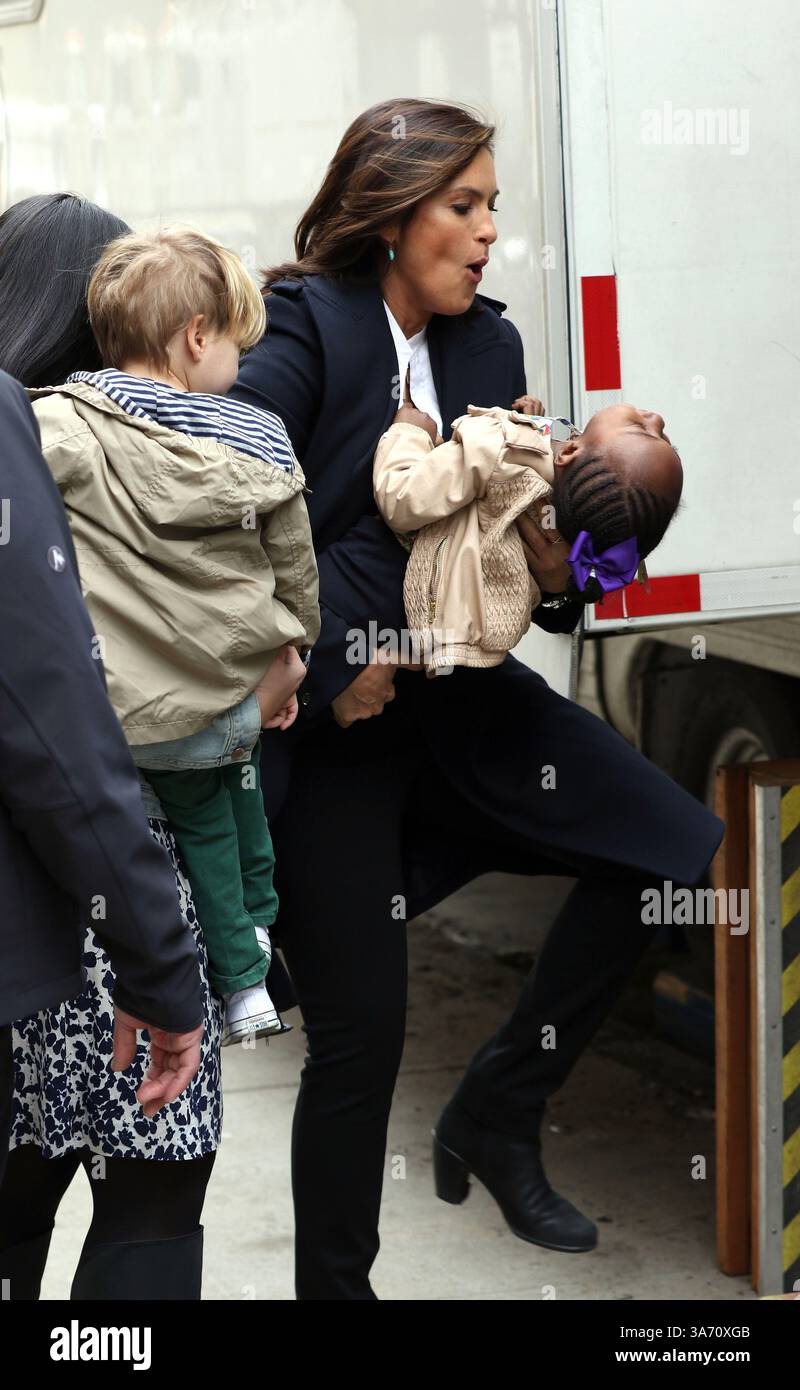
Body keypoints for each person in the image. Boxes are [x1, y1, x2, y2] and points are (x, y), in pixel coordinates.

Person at [230, 97, 724, 1301]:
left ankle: (497, 1112)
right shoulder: (303, 331)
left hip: (463, 699)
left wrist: (576, 552)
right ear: (393, 215)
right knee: (359, 1037)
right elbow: (243, 529)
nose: (490, 230)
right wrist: (341, 662)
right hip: (343, 731)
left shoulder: (488, 351)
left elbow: (519, 556)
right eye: (465, 205)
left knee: (673, 850)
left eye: (493, 205)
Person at [0, 194, 292, 1301]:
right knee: (154, 1187)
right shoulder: (149, 446)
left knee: (20, 1184)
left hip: (25, 927)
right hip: (126, 874)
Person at [30, 225, 320, 1047]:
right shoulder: (257, 441)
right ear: (198, 338)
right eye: (236, 344)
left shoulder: (65, 423)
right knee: (232, 822)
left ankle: (250, 949)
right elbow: (294, 564)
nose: (241, 366)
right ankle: (245, 979)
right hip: (227, 701)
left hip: (124, 714)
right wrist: (294, 646)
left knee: (217, 827)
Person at [0, 367, 204, 1293]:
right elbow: (52, 729)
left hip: (68, 918)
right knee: (154, 1199)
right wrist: (163, 966)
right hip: (116, 880)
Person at [373, 392, 683, 672]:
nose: (658, 419)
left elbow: (400, 498)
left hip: (396, 569)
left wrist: (410, 433)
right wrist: (534, 419)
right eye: (664, 437)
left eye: (640, 429)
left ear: (570, 452)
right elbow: (547, 449)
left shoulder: (499, 449)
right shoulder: (575, 500)